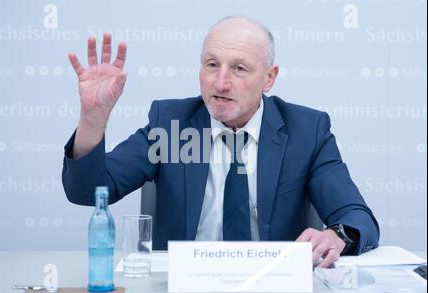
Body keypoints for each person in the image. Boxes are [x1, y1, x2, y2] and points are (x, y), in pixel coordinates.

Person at [62, 16, 379, 268]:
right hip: (182, 292)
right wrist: (93, 118)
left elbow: (356, 216)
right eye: (212, 64)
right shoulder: (171, 123)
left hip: (274, 286)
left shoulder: (306, 130)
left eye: (239, 68)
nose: (221, 82)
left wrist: (337, 235)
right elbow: (87, 192)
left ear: (269, 77)